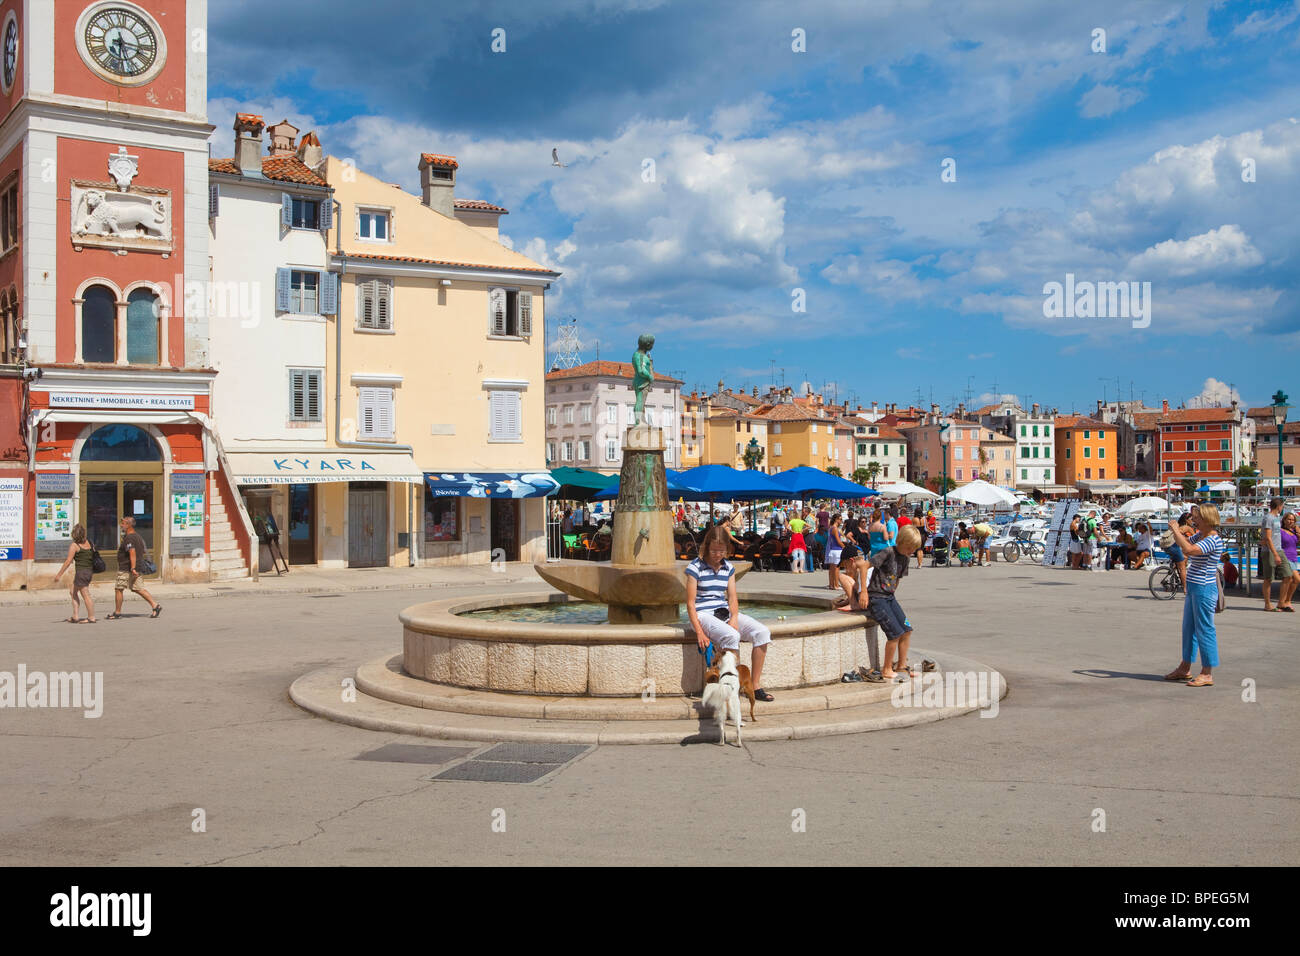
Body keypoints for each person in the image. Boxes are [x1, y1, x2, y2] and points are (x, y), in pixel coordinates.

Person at [686, 525, 774, 702]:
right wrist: (700, 632)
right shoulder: (695, 567)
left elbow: (732, 598)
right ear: (706, 547)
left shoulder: (728, 568)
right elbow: (690, 603)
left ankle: (754, 685)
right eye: (714, 550)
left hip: (723, 612)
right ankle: (730, 689)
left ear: (728, 549)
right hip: (703, 614)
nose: (717, 554)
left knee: (762, 633)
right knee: (732, 636)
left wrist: (734, 617)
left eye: (721, 551)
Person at [1163, 504, 1224, 687]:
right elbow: (1185, 547)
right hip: (1194, 587)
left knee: (1205, 629)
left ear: (1206, 519)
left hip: (1205, 588)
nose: (1193, 520)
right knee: (1189, 628)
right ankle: (1185, 667)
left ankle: (1207, 672)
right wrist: (1178, 533)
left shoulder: (1213, 539)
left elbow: (1189, 550)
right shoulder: (1201, 535)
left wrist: (1176, 530)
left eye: (1197, 517)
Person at [863, 525, 924, 682]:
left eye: (914, 548)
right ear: (902, 541)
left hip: (889, 597)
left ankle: (901, 665)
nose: (911, 551)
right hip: (877, 597)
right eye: (910, 547)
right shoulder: (888, 552)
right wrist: (864, 591)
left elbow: (897, 579)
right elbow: (864, 567)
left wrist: (892, 594)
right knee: (894, 634)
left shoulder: (905, 558)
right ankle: (886, 669)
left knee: (906, 630)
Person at [107, 516, 161, 620]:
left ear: (128, 525)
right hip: (137, 567)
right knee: (138, 588)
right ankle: (155, 606)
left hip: (127, 568)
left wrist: (132, 568)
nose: (121, 525)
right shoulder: (137, 536)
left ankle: (117, 613)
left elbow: (132, 552)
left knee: (119, 589)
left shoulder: (130, 538)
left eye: (122, 523)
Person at [54, 524, 97, 624]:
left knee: (86, 595)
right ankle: (75, 616)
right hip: (89, 571)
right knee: (73, 591)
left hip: (81, 572)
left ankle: (91, 617)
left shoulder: (75, 546)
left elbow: (68, 561)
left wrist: (59, 574)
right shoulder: (89, 543)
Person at [1259, 497, 1292, 612]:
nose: (1282, 508)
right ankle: (1267, 604)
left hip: (1279, 549)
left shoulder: (1277, 518)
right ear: (1279, 506)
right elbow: (1268, 537)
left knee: (1288, 575)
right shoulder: (1268, 518)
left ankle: (1281, 602)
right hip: (1270, 551)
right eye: (1282, 506)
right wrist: (1275, 554)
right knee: (1268, 578)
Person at [1278, 511, 1300, 611]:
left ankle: (1286, 601)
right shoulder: (1280, 531)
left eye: (1292, 520)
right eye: (1289, 519)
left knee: (1292, 580)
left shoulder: (1295, 531)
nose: (1291, 521)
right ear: (1284, 520)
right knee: (1295, 578)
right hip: (1285, 557)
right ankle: (1284, 601)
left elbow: (1297, 543)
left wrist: (1298, 533)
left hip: (1294, 557)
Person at [824, 513, 845, 591]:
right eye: (840, 519)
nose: (841, 521)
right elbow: (838, 541)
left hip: (832, 550)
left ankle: (831, 584)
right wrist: (845, 547)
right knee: (836, 569)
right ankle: (836, 585)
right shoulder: (835, 528)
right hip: (837, 550)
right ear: (836, 519)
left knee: (832, 568)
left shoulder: (831, 528)